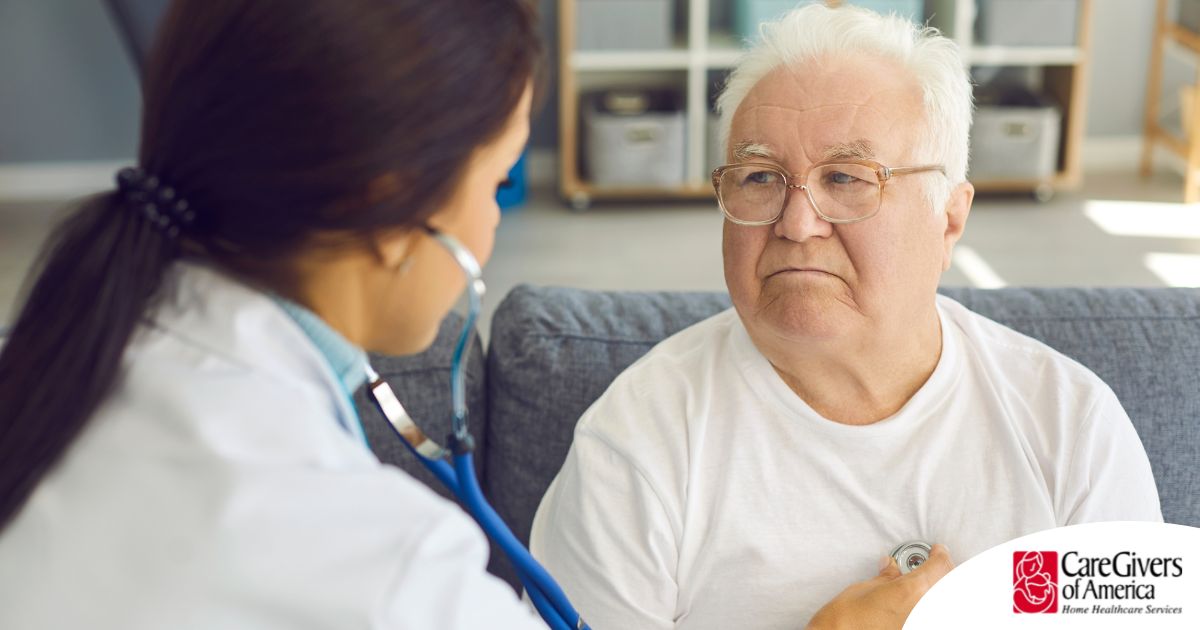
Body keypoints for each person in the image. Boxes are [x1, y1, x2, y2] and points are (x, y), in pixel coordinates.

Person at [0, 1, 954, 628]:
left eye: (846, 180)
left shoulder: (70, 363)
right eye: (496, 182)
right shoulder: (390, 571)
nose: (797, 221)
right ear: (390, 207)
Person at [528, 4, 1162, 630]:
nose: (797, 224)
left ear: (949, 218)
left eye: (847, 177)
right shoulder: (637, 444)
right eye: (759, 177)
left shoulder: (1072, 428)